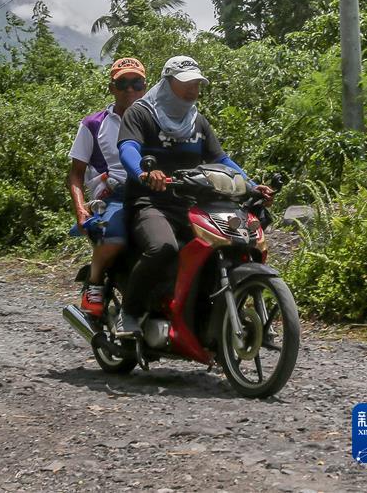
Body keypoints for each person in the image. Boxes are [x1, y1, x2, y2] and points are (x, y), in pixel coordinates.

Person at [115, 55, 274, 335]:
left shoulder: (197, 122)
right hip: (150, 202)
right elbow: (128, 148)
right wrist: (144, 172)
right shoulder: (140, 113)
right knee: (163, 249)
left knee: (225, 247)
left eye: (197, 83)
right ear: (167, 83)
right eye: (186, 83)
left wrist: (250, 184)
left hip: (192, 204)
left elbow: (221, 159)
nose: (193, 89)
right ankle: (130, 312)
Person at [68, 57, 148, 318]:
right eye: (123, 83)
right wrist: (81, 211)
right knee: (114, 237)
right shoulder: (94, 124)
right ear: (112, 87)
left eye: (136, 83)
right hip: (114, 194)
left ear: (145, 87)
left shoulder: (157, 120)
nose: (130, 89)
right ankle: (94, 283)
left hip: (154, 191)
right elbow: (75, 173)